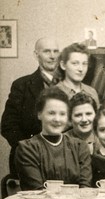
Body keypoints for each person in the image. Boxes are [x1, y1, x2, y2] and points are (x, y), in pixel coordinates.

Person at [1, 37, 60, 178]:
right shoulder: (22, 85)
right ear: (36, 55)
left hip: (62, 159)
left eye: (55, 51)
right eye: (47, 51)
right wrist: (29, 149)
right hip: (29, 158)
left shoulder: (70, 85)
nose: (52, 56)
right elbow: (8, 125)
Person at [14, 87, 92, 190]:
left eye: (62, 114)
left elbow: (85, 189)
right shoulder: (27, 149)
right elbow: (37, 191)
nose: (57, 119)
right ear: (39, 114)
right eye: (51, 113)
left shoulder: (80, 147)